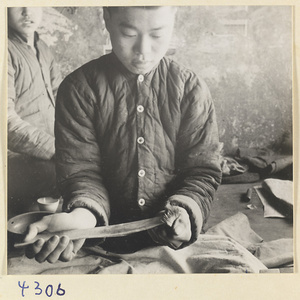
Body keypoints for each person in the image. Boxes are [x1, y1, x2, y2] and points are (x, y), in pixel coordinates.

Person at [24, 6, 222, 263]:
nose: (143, 50)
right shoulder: (79, 89)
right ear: (107, 19)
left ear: (174, 20)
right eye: (128, 33)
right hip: (97, 240)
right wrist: (80, 219)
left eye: (157, 34)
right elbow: (81, 172)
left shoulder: (190, 89)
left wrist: (185, 211)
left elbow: (202, 171)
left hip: (173, 243)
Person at [7, 7, 62, 218]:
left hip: (52, 153)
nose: (27, 11)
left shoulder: (44, 49)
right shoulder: (6, 50)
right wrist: (58, 150)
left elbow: (62, 103)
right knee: (62, 173)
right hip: (18, 159)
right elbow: (6, 123)